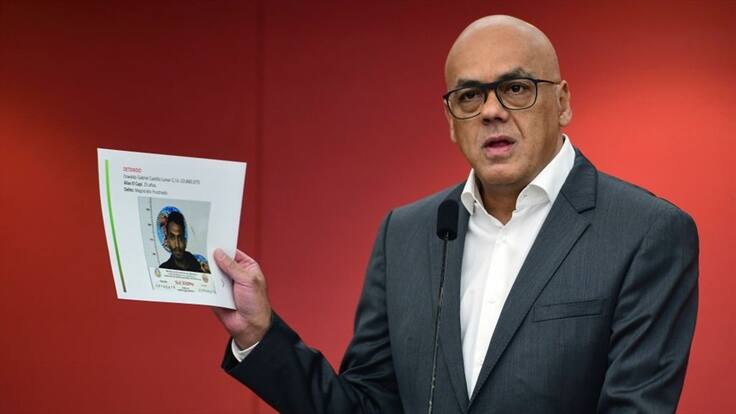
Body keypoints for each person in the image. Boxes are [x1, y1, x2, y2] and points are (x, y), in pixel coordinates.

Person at [211, 15, 698, 413]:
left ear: (563, 102)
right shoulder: (406, 234)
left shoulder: (646, 232)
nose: (491, 111)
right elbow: (367, 406)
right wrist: (259, 333)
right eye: (469, 96)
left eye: (516, 88)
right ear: (451, 120)